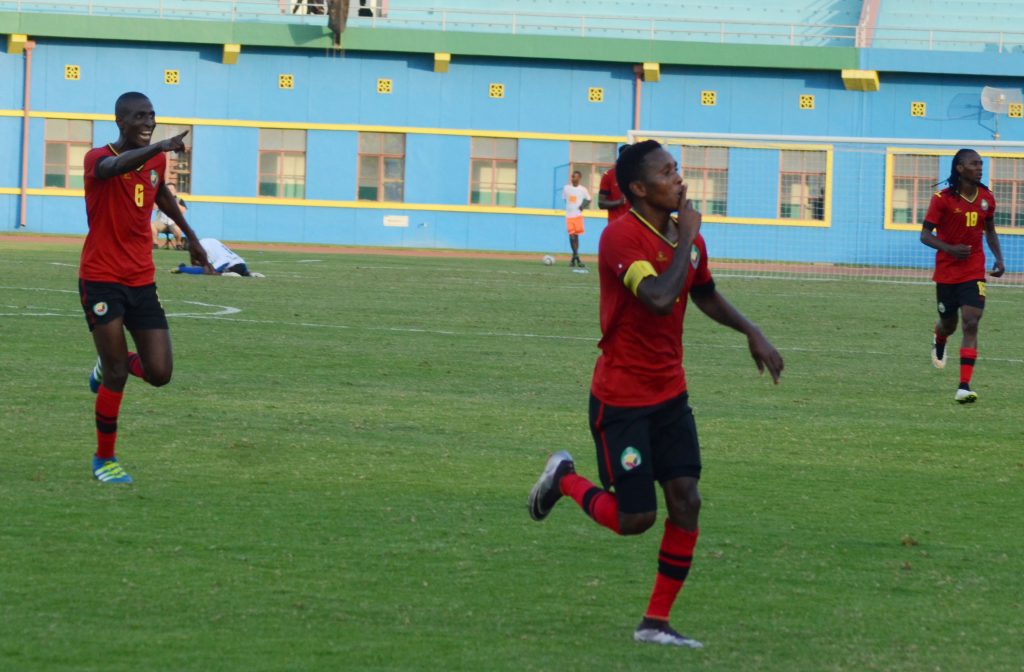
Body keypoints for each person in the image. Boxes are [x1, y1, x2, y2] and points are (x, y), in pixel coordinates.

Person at [528, 140, 784, 648]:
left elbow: (702, 292)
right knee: (636, 518)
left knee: (686, 501)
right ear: (640, 189)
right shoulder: (620, 238)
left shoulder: (685, 237)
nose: (680, 179)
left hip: (670, 395)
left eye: (678, 170)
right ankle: (564, 480)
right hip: (621, 401)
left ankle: (655, 623)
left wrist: (751, 329)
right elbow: (660, 298)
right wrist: (688, 238)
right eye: (668, 173)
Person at [79, 91, 210, 484]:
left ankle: (108, 361)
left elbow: (161, 194)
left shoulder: (154, 158)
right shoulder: (95, 158)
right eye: (139, 116)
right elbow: (113, 168)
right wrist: (160, 145)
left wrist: (192, 237)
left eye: (152, 115)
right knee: (120, 372)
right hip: (101, 277)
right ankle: (105, 460)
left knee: (160, 373)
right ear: (120, 121)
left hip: (141, 279)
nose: (148, 121)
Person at [920, 148, 1005, 403]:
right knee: (950, 323)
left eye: (981, 163)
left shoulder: (987, 198)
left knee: (971, 321)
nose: (980, 167)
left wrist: (999, 258)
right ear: (959, 168)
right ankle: (940, 336)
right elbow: (925, 235)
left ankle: (964, 386)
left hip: (973, 270)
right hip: (946, 273)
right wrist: (950, 249)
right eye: (974, 163)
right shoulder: (942, 199)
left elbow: (989, 230)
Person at [173, 238, 264, 278]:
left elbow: (203, 270)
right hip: (241, 264)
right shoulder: (208, 240)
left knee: (209, 272)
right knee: (209, 269)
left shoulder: (200, 248)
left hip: (228, 264)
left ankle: (226, 274)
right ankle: (248, 274)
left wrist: (183, 269)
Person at [562, 170, 591, 269]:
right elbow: (566, 199)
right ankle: (577, 258)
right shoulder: (566, 188)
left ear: (579, 178)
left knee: (576, 237)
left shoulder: (582, 189)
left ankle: (574, 258)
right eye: (572, 176)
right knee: (571, 236)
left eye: (574, 177)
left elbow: (589, 199)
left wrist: (583, 206)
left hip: (578, 216)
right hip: (569, 216)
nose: (572, 178)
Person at [598, 145, 632, 223]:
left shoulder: (638, 176)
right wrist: (619, 202)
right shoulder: (609, 175)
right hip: (616, 224)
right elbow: (601, 203)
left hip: (633, 225)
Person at [151, 183, 185, 249]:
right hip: (162, 222)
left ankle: (178, 244)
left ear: (175, 191)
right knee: (152, 225)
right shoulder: (161, 199)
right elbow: (153, 208)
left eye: (171, 190)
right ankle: (155, 244)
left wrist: (174, 202)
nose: (169, 191)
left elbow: (183, 211)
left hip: (174, 223)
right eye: (168, 190)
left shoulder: (179, 200)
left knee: (178, 228)